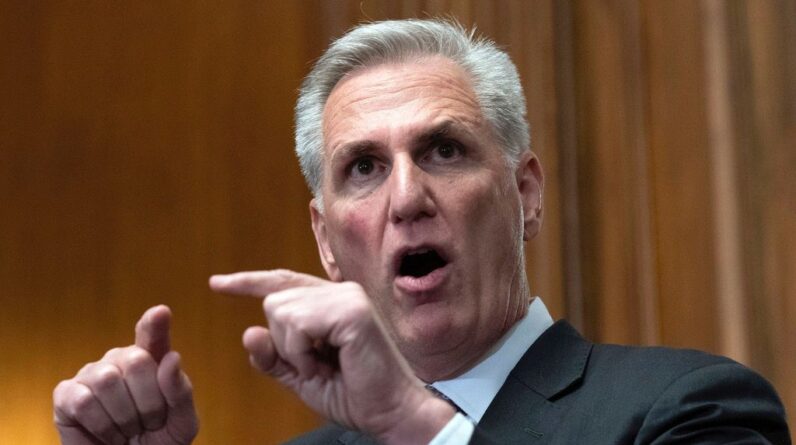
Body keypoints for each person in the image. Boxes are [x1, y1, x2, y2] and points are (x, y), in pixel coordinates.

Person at [53, 19, 790, 445]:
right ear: (326, 241)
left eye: (444, 150)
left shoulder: (691, 408)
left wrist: (418, 425)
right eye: (365, 167)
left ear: (525, 195)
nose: (407, 196)